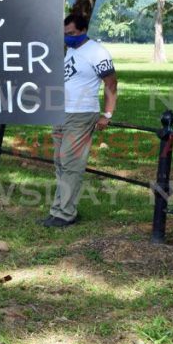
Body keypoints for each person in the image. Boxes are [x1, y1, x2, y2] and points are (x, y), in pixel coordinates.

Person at [40, 13, 118, 228]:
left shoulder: (97, 52)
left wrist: (107, 114)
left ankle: (66, 214)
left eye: (72, 33)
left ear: (83, 30)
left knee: (71, 163)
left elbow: (111, 84)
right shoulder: (71, 50)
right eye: (65, 34)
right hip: (60, 112)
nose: (68, 38)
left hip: (82, 113)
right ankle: (57, 210)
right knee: (59, 161)